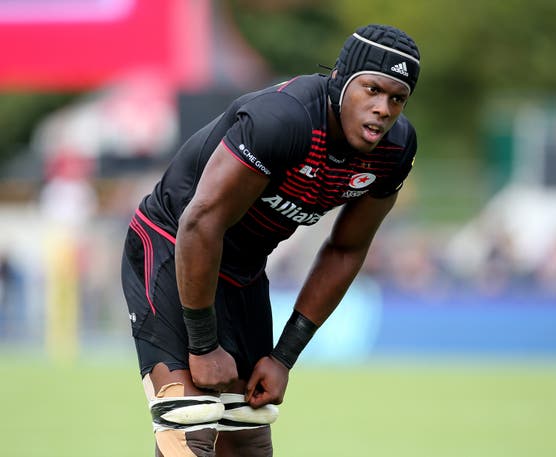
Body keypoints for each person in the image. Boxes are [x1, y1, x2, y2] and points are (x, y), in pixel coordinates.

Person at [121, 23, 420, 457]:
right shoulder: (284, 119)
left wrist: (283, 358)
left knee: (247, 434)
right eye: (371, 89)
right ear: (340, 80)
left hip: (242, 269)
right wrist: (203, 344)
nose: (382, 108)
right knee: (190, 420)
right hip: (172, 243)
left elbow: (346, 248)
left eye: (397, 98)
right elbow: (200, 223)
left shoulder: (396, 150)